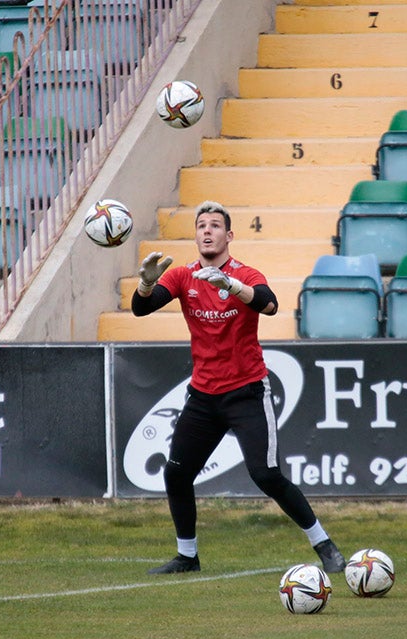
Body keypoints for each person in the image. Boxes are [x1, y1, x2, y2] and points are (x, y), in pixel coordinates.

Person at [131, 200, 346, 574]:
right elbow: (140, 309)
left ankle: (324, 544)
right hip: (203, 396)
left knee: (266, 475)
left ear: (229, 236)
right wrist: (147, 284)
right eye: (201, 226)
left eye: (215, 225)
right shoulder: (182, 276)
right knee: (177, 473)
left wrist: (231, 285)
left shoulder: (245, 274)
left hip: (247, 391)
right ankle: (188, 556)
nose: (207, 231)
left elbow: (270, 305)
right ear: (195, 235)